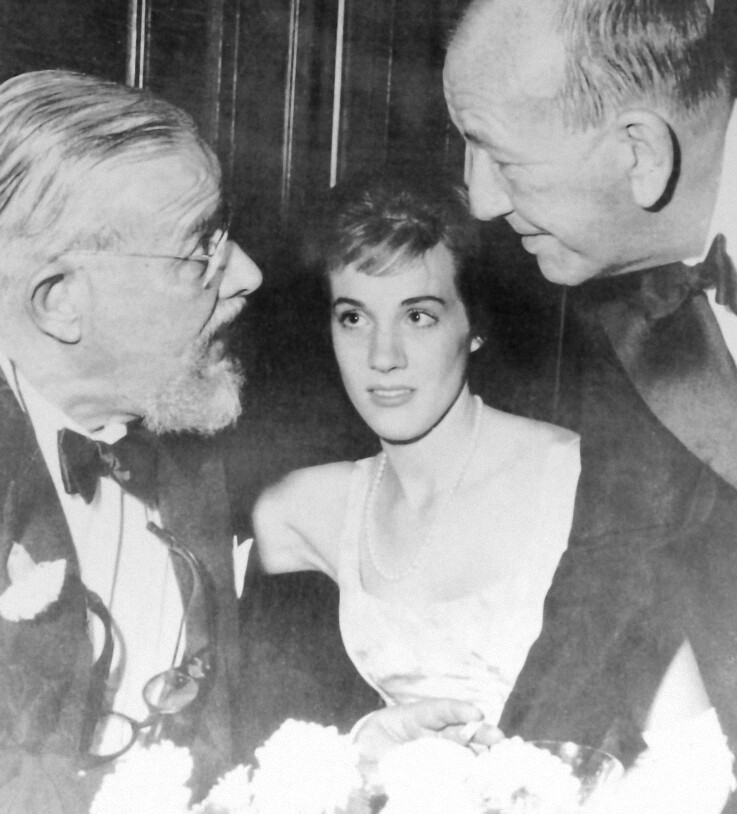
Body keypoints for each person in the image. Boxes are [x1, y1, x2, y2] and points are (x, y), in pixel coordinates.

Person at [0, 70, 486, 811]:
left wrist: (350, 764)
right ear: (60, 301)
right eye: (200, 248)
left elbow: (207, 755)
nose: (250, 275)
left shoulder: (185, 457)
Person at [444, 0, 737, 809]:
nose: (479, 201)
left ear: (639, 152)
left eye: (503, 159)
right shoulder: (622, 294)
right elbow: (611, 574)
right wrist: (512, 781)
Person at [252, 175, 581, 741]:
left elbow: (679, 735)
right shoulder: (297, 512)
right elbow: (270, 728)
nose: (382, 357)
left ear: (474, 326)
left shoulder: (571, 475)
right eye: (354, 318)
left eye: (418, 316)